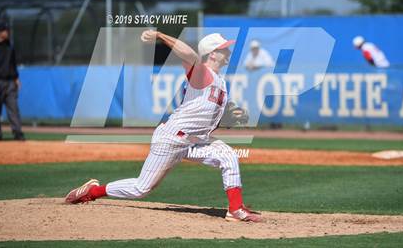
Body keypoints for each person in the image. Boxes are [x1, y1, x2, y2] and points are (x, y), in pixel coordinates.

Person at [65, 30, 262, 222]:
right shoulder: (203, 73)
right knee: (141, 189)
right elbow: (191, 55)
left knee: (228, 156)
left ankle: (235, 209)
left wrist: (227, 117)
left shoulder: (220, 81)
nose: (228, 52)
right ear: (212, 54)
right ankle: (93, 191)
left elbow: (205, 115)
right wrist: (160, 36)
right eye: (224, 49)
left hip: (193, 141)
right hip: (172, 138)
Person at [0, 22, 25, 141]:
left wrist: (16, 78)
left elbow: (13, 64)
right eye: (5, 30)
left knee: (13, 108)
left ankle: (17, 132)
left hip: (10, 82)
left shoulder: (10, 46)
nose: (7, 32)